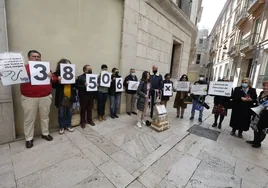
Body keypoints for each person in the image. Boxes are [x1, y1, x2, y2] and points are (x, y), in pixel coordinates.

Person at [20, 50, 57, 148]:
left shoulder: (45, 67)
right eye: (34, 56)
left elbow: (55, 79)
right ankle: (29, 138)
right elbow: (13, 77)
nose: (36, 58)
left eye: (38, 57)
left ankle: (45, 133)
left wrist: (51, 77)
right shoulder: (23, 68)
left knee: (45, 117)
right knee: (29, 119)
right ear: (29, 58)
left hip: (45, 97)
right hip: (29, 98)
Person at [53, 59, 75, 134]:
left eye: (69, 64)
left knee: (69, 112)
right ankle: (61, 127)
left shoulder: (71, 73)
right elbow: (53, 86)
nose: (68, 66)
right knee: (61, 113)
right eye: (66, 64)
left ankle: (68, 125)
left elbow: (74, 86)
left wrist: (75, 80)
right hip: (61, 97)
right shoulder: (56, 74)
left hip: (70, 96)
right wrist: (58, 81)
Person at [246, 80, 268, 148]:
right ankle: (255, 140)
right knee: (255, 127)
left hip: (265, 115)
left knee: (262, 129)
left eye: (267, 86)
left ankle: (258, 143)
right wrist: (251, 99)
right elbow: (257, 100)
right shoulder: (262, 93)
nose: (265, 87)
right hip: (258, 113)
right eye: (264, 85)